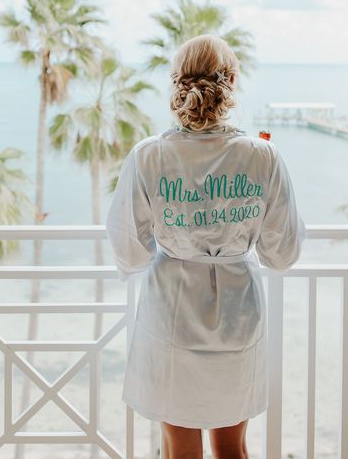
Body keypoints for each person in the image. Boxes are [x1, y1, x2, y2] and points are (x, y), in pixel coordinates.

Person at [105, 34, 307, 459]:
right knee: (232, 446)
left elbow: (129, 252)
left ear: (176, 83)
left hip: (171, 311)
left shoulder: (149, 156)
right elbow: (282, 254)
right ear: (231, 81)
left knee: (179, 447)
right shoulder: (262, 156)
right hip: (238, 314)